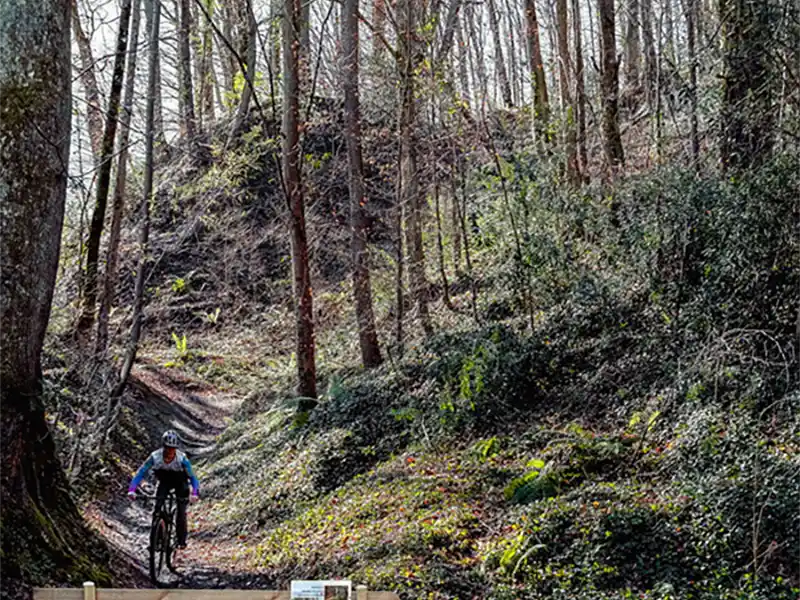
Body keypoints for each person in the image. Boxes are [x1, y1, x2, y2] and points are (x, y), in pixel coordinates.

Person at [128, 430, 200, 548]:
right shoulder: (155, 457)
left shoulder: (182, 459)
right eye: (167, 448)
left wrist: (195, 493)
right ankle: (155, 541)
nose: (169, 451)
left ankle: (181, 540)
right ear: (163, 446)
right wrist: (132, 490)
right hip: (164, 482)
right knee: (157, 509)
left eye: (172, 448)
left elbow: (193, 477)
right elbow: (140, 473)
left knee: (181, 512)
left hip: (180, 483)